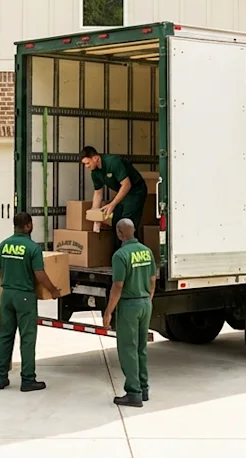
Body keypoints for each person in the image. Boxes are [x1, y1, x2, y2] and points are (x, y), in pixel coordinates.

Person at [0, 212, 60, 392]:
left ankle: (0, 377)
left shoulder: (4, 245)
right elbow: (40, 274)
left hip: (6, 294)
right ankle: (28, 380)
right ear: (28, 226)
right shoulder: (32, 248)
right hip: (24, 296)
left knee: (5, 336)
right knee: (27, 339)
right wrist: (53, 290)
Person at [103, 218, 155, 408]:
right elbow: (152, 279)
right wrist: (148, 298)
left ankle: (133, 392)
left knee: (127, 349)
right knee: (141, 347)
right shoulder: (146, 251)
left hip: (129, 306)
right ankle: (143, 388)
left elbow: (118, 286)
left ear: (119, 232)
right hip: (144, 303)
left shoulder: (120, 255)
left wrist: (108, 312)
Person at [81, 146, 147, 235]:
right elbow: (98, 192)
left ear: (95, 158)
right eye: (84, 164)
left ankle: (130, 247)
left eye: (87, 163)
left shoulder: (113, 162)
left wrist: (112, 204)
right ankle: (118, 247)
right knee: (116, 220)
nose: (86, 166)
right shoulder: (95, 173)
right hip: (122, 192)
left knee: (127, 221)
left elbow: (127, 185)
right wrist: (95, 213)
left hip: (135, 190)